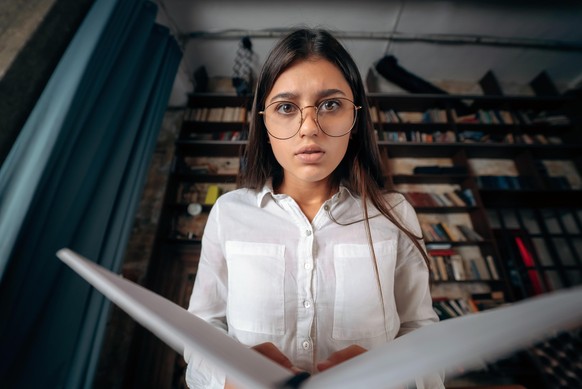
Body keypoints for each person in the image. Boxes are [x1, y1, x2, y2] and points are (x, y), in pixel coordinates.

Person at [185, 28, 444, 388]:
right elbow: (201, 330)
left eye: (331, 104)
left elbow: (420, 328)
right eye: (286, 108)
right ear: (264, 121)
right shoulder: (228, 213)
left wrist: (394, 379)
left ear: (355, 119)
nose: (309, 128)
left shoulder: (394, 214)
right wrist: (228, 379)